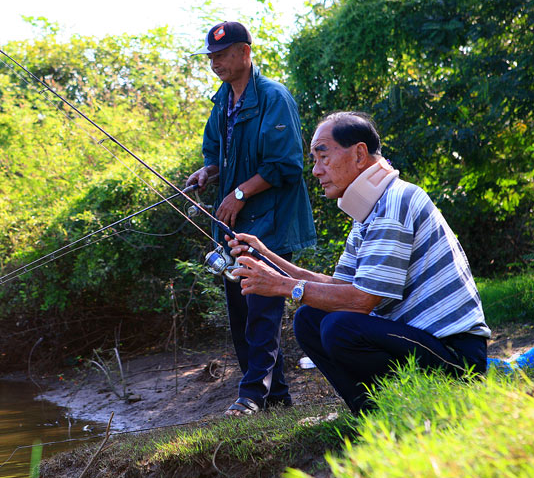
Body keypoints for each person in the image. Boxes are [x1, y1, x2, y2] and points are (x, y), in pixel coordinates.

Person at [227, 111, 490, 414]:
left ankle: (405, 408)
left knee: (341, 327)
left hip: (457, 358)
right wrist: (264, 254)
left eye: (323, 157)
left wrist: (283, 287)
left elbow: (360, 301)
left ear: (360, 154)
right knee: (310, 319)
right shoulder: (369, 212)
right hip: (420, 342)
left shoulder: (395, 203)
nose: (315, 171)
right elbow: (339, 288)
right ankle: (371, 414)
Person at [186, 21, 316, 415]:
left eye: (222, 55)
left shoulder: (275, 98)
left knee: (262, 308)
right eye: (211, 57)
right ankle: (276, 398)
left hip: (269, 223)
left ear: (245, 52)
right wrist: (207, 173)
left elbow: (287, 164)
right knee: (241, 310)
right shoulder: (222, 102)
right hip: (232, 227)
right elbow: (216, 153)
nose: (215, 63)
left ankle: (250, 396)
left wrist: (239, 194)